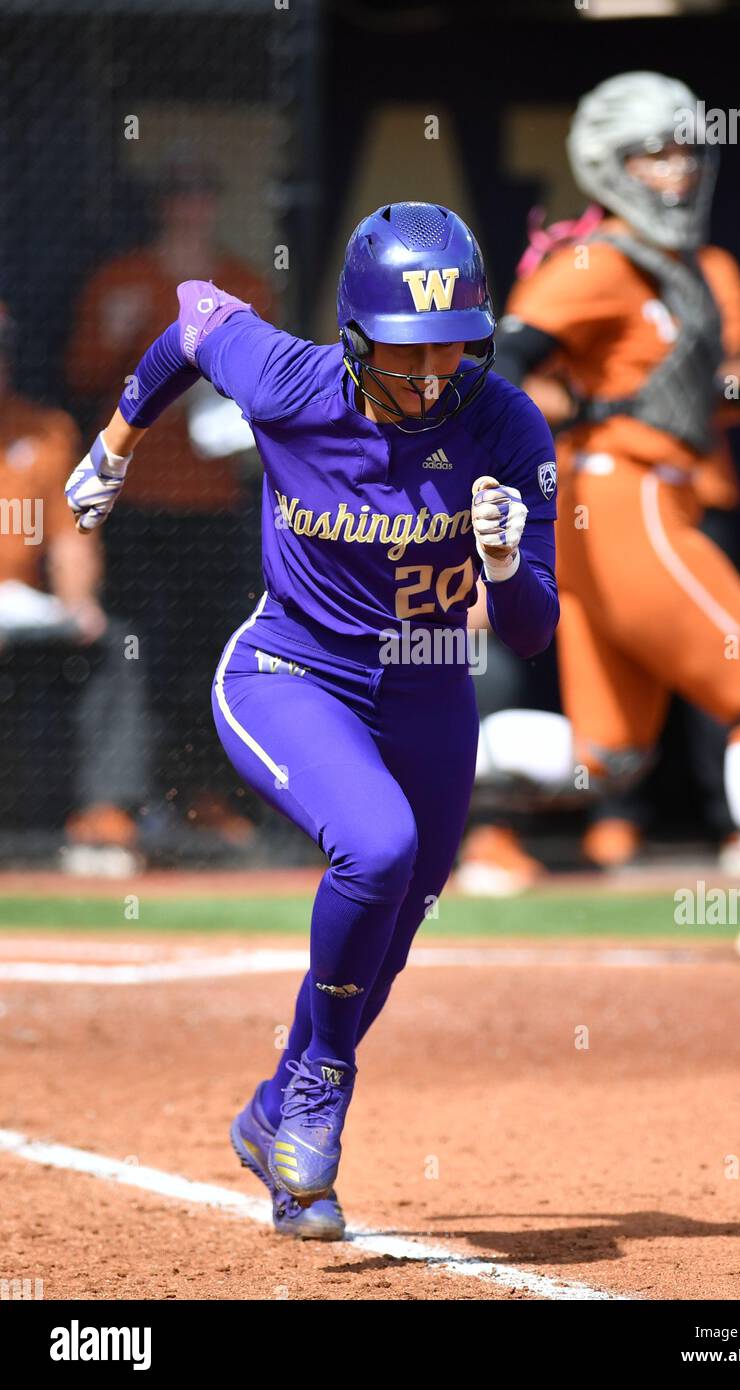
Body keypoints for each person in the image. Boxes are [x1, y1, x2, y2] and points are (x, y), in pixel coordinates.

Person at [65, 201, 559, 1238]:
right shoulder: (294, 380)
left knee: (391, 927)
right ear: (352, 335)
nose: (430, 375)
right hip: (290, 673)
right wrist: (115, 444)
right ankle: (322, 1079)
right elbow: (193, 322)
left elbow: (532, 630)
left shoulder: (504, 424)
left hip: (429, 694)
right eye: (405, 350)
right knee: (375, 848)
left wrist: (506, 564)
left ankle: (272, 1124)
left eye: (452, 347)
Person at [492, 71, 740, 964]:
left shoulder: (699, 269)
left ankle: (424, 762)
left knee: (604, 760)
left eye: (685, 147)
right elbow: (497, 366)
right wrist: (552, 409)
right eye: (654, 151)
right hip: (620, 500)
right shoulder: (594, 259)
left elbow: (701, 393)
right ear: (608, 164)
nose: (677, 168)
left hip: (653, 498)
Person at [66, 144, 274, 846]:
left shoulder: (244, 281)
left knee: (211, 651)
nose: (191, 207)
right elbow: (80, 373)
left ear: (214, 203)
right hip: (137, 501)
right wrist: (122, 332)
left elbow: (270, 382)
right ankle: (118, 805)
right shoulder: (120, 279)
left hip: (215, 503)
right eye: (178, 193)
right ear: (161, 205)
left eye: (202, 192)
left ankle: (206, 797)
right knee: (132, 650)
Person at [0, 301, 148, 868]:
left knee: (113, 646)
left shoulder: (44, 431)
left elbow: (69, 538)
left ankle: (102, 819)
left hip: (22, 616)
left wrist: (78, 604)